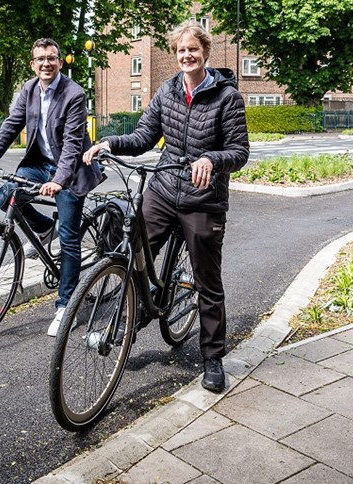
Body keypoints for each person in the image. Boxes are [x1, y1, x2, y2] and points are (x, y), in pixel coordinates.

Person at [83, 20, 249, 393]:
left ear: (205, 51)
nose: (186, 56)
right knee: (133, 251)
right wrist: (110, 144)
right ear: (175, 55)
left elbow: (240, 152)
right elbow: (144, 136)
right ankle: (139, 310)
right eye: (180, 51)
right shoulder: (168, 91)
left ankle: (213, 357)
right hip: (163, 187)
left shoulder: (227, 97)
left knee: (208, 282)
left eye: (193, 49)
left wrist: (212, 160)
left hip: (203, 198)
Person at [0, 38, 104, 336]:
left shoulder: (74, 94)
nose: (46, 63)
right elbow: (10, 126)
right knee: (6, 195)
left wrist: (58, 181)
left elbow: (72, 145)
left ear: (59, 62)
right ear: (33, 64)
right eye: (41, 59)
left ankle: (65, 306)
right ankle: (44, 228)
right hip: (40, 162)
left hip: (69, 170)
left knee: (69, 239)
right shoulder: (29, 90)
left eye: (52, 58)